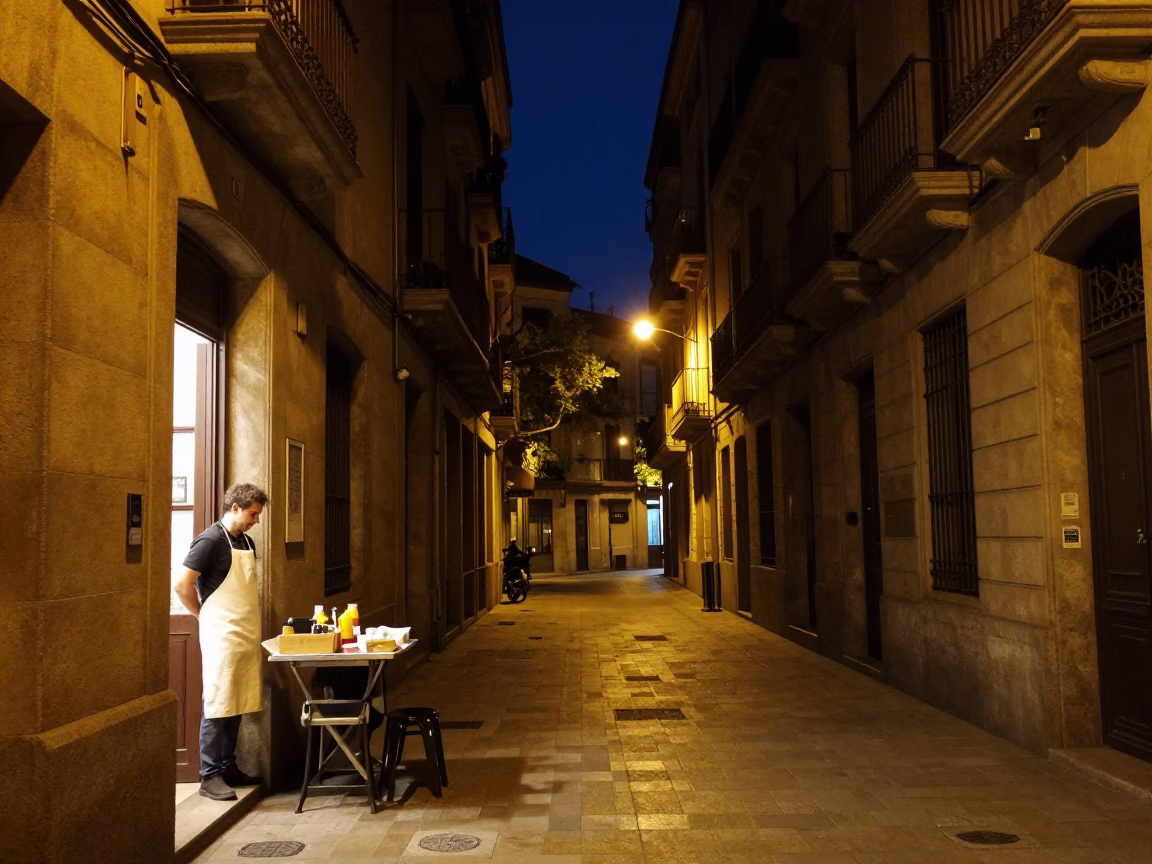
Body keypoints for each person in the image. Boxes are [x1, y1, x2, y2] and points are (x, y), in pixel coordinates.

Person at [173, 483, 269, 801]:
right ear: (236, 508)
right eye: (253, 513)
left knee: (237, 701)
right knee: (217, 703)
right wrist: (202, 615)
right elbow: (182, 584)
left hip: (244, 634)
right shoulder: (210, 540)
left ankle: (229, 767)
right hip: (221, 634)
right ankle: (209, 774)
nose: (256, 520)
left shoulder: (246, 541)